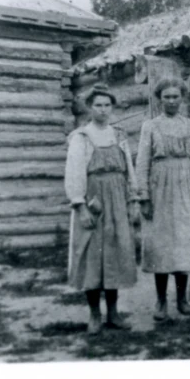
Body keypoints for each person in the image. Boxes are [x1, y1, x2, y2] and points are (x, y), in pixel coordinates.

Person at [64, 85, 139, 335]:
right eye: (98, 105)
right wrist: (81, 207)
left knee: (114, 256)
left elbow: (128, 169)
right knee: (93, 258)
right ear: (89, 107)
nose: (103, 110)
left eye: (107, 105)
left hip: (117, 199)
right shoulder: (81, 137)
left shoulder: (118, 136)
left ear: (112, 108)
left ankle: (114, 313)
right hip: (94, 201)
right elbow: (75, 174)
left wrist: (132, 200)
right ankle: (95, 314)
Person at [135, 78, 190, 321]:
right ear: (159, 99)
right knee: (162, 244)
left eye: (175, 96)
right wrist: (144, 197)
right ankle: (160, 301)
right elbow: (142, 162)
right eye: (166, 97)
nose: (171, 101)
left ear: (182, 98)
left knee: (184, 244)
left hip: (186, 185)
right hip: (160, 186)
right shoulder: (150, 126)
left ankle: (182, 300)